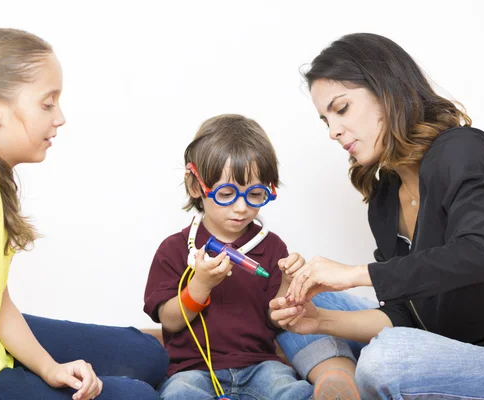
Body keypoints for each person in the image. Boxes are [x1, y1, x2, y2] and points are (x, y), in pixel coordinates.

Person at [269, 32, 484, 399]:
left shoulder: (461, 149)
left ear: (387, 89)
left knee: (385, 360)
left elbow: (481, 254)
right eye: (325, 120)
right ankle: (338, 380)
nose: (333, 131)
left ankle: (352, 377)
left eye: (341, 109)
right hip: (441, 345)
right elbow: (405, 314)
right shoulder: (385, 198)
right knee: (305, 301)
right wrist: (318, 322)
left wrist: (355, 275)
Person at [0, 27, 168, 400]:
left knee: (147, 354)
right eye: (47, 103)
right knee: (140, 396)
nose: (60, 117)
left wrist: (49, 368)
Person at [144, 114, 339, 399]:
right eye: (226, 193)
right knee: (177, 395)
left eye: (255, 194)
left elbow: (275, 318)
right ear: (196, 186)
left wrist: (287, 282)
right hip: (193, 370)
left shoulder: (271, 247)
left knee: (293, 391)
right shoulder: (174, 249)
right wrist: (200, 285)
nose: (241, 208)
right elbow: (171, 321)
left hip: (260, 366)